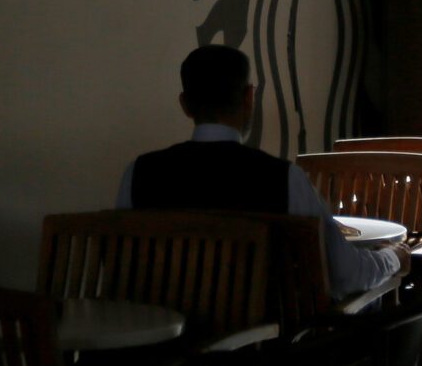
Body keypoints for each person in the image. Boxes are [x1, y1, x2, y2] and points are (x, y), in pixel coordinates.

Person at [119, 44, 398, 299]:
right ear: (249, 97)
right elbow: (345, 274)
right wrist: (393, 257)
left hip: (164, 346)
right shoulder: (284, 178)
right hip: (261, 348)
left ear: (185, 104)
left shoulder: (138, 173)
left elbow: (120, 265)